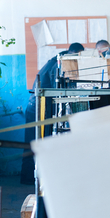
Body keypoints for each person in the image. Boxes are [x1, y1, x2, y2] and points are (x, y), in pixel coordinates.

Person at [21, 43, 86, 183]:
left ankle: (32, 178)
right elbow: (57, 88)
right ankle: (29, 179)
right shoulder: (58, 63)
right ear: (75, 53)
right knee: (35, 142)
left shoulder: (57, 60)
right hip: (38, 107)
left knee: (36, 142)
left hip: (41, 105)